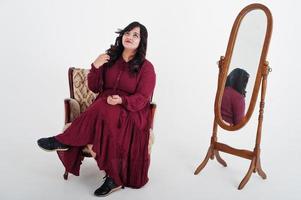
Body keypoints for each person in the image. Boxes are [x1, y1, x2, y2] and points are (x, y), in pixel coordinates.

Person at [37, 21, 156, 197]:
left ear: (141, 41)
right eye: (127, 33)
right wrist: (95, 66)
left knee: (102, 104)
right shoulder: (109, 58)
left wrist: (122, 100)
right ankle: (113, 178)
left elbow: (142, 98)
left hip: (130, 113)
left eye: (135, 35)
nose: (129, 37)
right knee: (102, 106)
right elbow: (94, 87)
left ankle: (64, 140)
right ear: (122, 35)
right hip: (104, 111)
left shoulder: (147, 67)